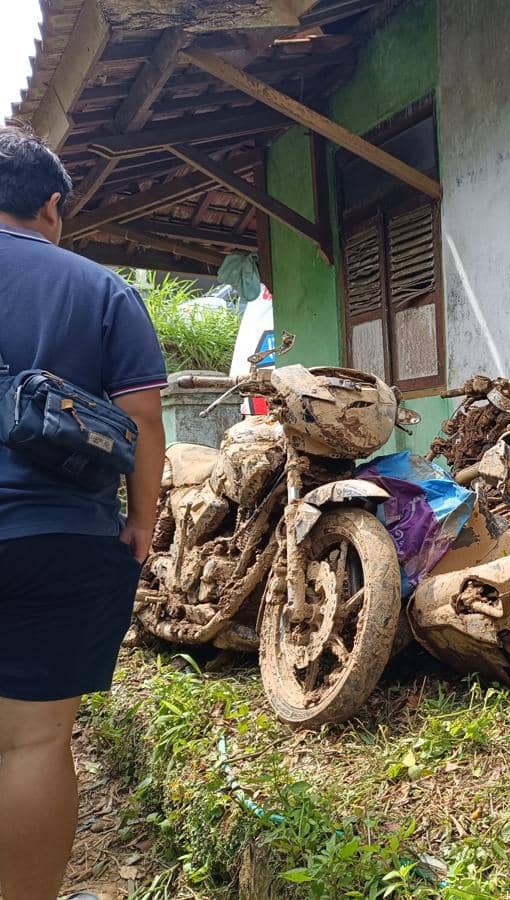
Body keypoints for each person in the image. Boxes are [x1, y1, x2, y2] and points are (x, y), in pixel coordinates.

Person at [0, 125, 167, 900]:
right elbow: (144, 423)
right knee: (31, 742)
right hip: (60, 536)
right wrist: (141, 523)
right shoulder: (101, 290)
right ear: (54, 205)